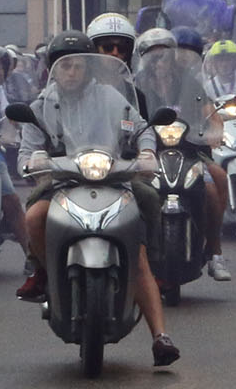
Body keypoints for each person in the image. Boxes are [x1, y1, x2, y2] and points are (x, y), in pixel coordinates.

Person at [16, 46, 178, 366]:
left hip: (113, 177)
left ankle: (160, 336)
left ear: (87, 69)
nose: (72, 73)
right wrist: (33, 161)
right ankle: (45, 273)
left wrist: (147, 152)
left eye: (77, 66)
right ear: (54, 71)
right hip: (63, 180)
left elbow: (142, 128)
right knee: (34, 215)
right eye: (65, 67)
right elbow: (26, 152)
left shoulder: (111, 98)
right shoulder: (42, 105)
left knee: (141, 240)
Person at [134, 28, 232, 281]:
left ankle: (214, 252)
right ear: (143, 58)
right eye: (152, 56)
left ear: (173, 56)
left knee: (216, 181)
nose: (159, 61)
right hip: (149, 153)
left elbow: (209, 111)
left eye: (164, 55)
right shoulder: (135, 87)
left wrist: (214, 130)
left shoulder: (189, 82)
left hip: (189, 149)